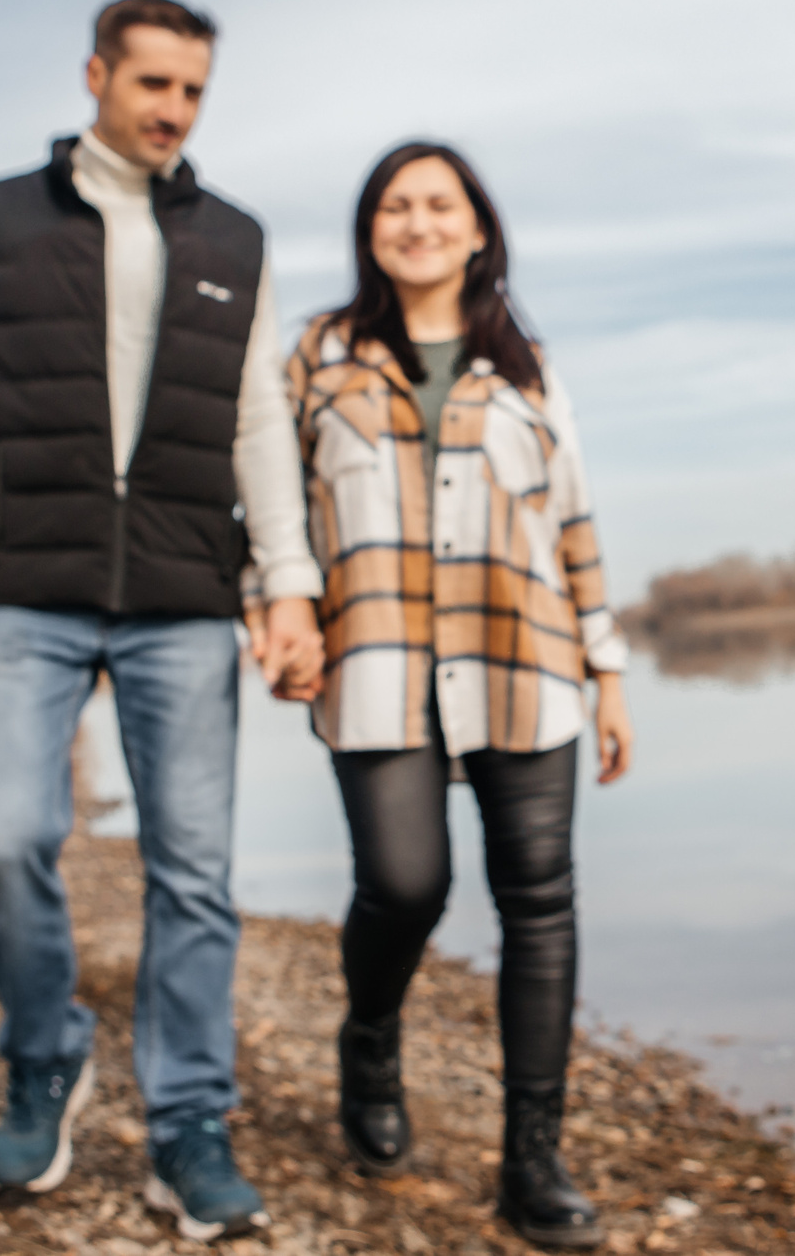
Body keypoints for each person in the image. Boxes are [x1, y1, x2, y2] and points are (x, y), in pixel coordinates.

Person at [0, 0, 327, 1242]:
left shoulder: (234, 242)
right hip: (26, 584)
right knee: (4, 838)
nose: (173, 111)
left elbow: (254, 426)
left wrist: (284, 585)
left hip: (186, 595)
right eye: (153, 85)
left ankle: (188, 1121)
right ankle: (46, 1052)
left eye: (192, 92)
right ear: (96, 75)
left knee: (193, 872)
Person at [275, 142, 631, 1250]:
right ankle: (369, 1034)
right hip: (373, 666)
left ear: (477, 229)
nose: (416, 221)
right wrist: (275, 609)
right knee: (404, 882)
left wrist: (608, 668)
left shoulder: (527, 366)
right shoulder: (320, 356)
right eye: (395, 204)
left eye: (439, 204)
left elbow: (572, 521)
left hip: (526, 663)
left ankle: (533, 1160)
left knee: (539, 905)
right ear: (369, 228)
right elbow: (273, 511)